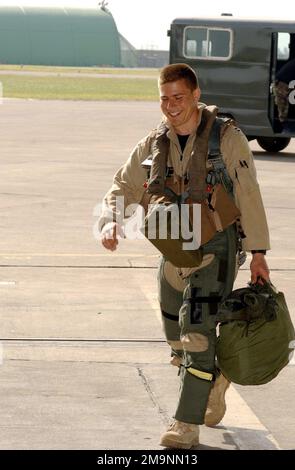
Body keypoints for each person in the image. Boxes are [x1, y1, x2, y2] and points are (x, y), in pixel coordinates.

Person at [99, 63, 270, 449]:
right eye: (164, 98)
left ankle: (185, 425)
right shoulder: (155, 141)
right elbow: (123, 183)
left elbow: (249, 194)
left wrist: (258, 253)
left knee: (195, 332)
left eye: (179, 97)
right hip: (174, 247)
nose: (171, 106)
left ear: (195, 95)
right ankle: (213, 378)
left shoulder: (226, 138)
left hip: (216, 247)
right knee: (174, 333)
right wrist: (112, 220)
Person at [273, 58, 295, 124]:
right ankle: (282, 119)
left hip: (283, 82)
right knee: (282, 103)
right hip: (282, 83)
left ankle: (282, 118)